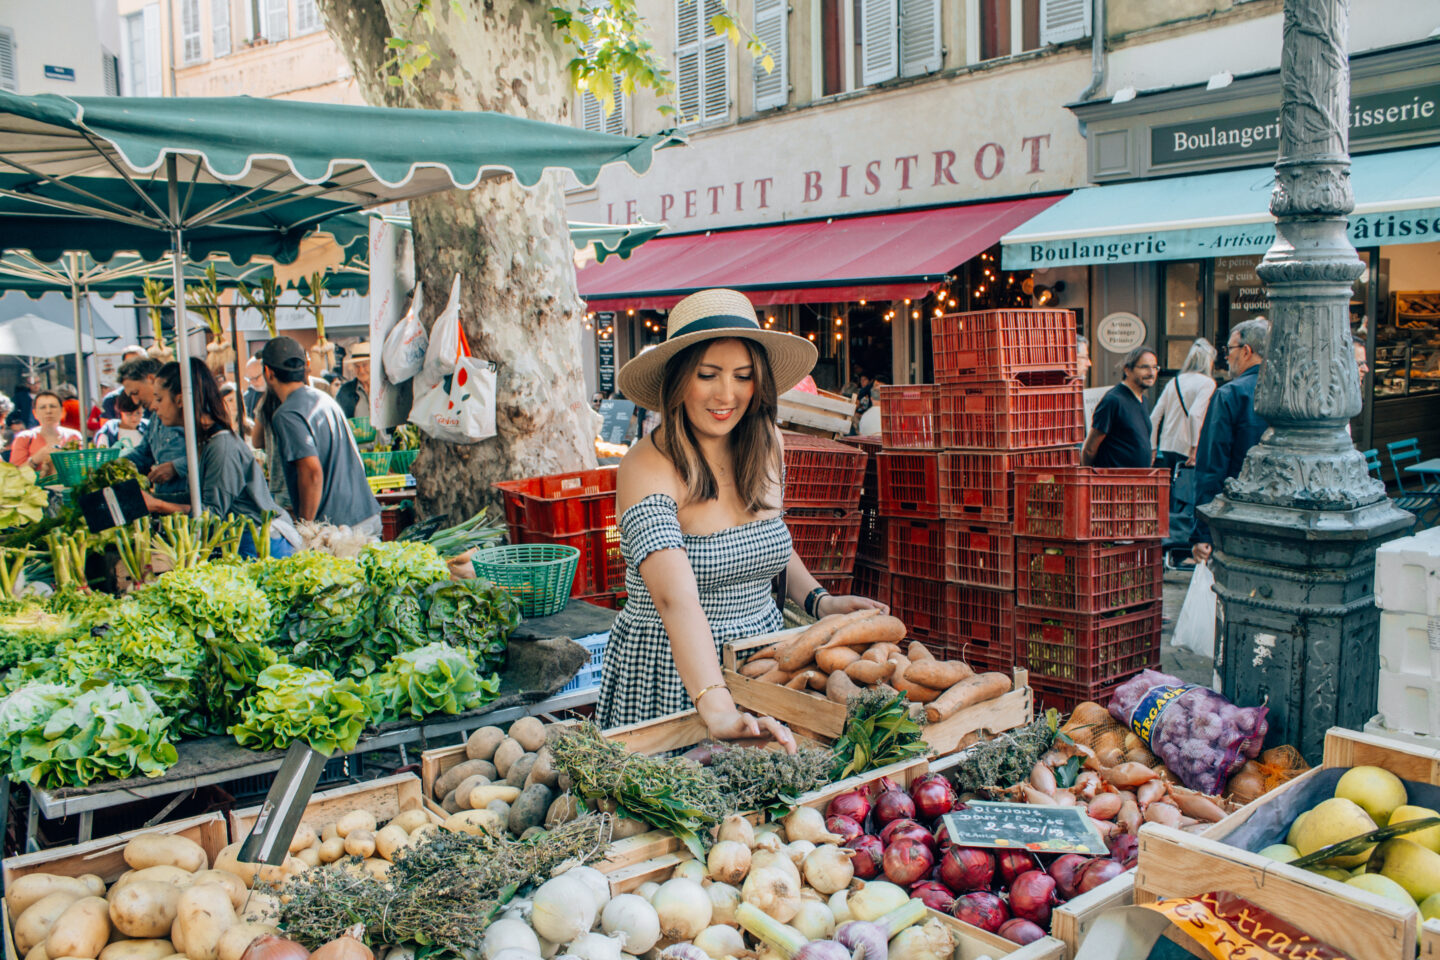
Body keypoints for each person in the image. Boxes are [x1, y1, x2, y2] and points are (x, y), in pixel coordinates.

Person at [600, 288, 888, 741]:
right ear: (678, 379)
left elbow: (769, 537)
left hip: (763, 665)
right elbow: (677, 599)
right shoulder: (646, 466)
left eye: (743, 375)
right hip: (676, 674)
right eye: (708, 375)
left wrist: (818, 602)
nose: (726, 394)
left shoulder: (765, 441)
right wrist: (715, 704)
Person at [140, 359, 302, 558]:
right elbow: (200, 499)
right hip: (239, 542)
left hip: (260, 545)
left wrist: (158, 505)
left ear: (180, 400)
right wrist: (153, 500)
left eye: (159, 398)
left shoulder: (221, 446)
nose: (154, 407)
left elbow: (212, 513)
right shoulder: (205, 442)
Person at [261, 336, 380, 534]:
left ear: (268, 372)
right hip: (366, 516)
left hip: (338, 531)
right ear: (305, 366)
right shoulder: (322, 399)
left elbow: (311, 472)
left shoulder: (287, 414)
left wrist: (306, 528)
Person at [1191, 317, 1271, 562]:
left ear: (1246, 351)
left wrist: (1202, 531)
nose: (1226, 356)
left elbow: (1211, 466)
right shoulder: (1289, 392)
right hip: (1282, 514)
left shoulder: (1230, 394)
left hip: (1237, 516)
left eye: (1230, 349)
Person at [119, 356, 193, 503]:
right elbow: (143, 454)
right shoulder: (155, 418)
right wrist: (114, 465)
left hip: (189, 502)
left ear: (151, 379)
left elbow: (211, 452)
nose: (135, 401)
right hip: (165, 498)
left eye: (135, 392)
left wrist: (176, 467)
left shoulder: (189, 411)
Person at [1082, 347, 1159, 469]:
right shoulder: (1113, 400)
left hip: (1136, 483)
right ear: (1127, 370)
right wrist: (1087, 476)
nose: (1151, 373)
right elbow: (1089, 449)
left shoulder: (1143, 401)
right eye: (1144, 367)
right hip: (1115, 483)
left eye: (1155, 367)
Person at [1150, 339, 1218, 474]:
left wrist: (1152, 447)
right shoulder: (1208, 383)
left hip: (1167, 445)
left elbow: (1154, 416)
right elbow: (1195, 414)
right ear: (1209, 361)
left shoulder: (1173, 381)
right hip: (1188, 446)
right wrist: (1195, 446)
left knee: (1171, 487)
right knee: (1187, 489)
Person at [10, 391, 82, 474]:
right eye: (43, 407)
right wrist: (36, 459)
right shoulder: (24, 438)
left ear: (62, 411)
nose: (48, 411)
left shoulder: (74, 436)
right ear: (35, 413)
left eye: (53, 406)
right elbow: (14, 475)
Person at [101, 346, 148, 419]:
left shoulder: (156, 397)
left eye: (137, 363)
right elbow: (108, 427)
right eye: (128, 364)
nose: (133, 369)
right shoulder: (112, 399)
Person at [335, 341, 371, 419]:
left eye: (365, 365)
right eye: (357, 366)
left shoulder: (385, 388)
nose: (361, 371)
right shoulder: (345, 391)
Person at [242, 355, 265, 420]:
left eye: (255, 378)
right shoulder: (247, 398)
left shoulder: (280, 393)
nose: (252, 382)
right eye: (249, 379)